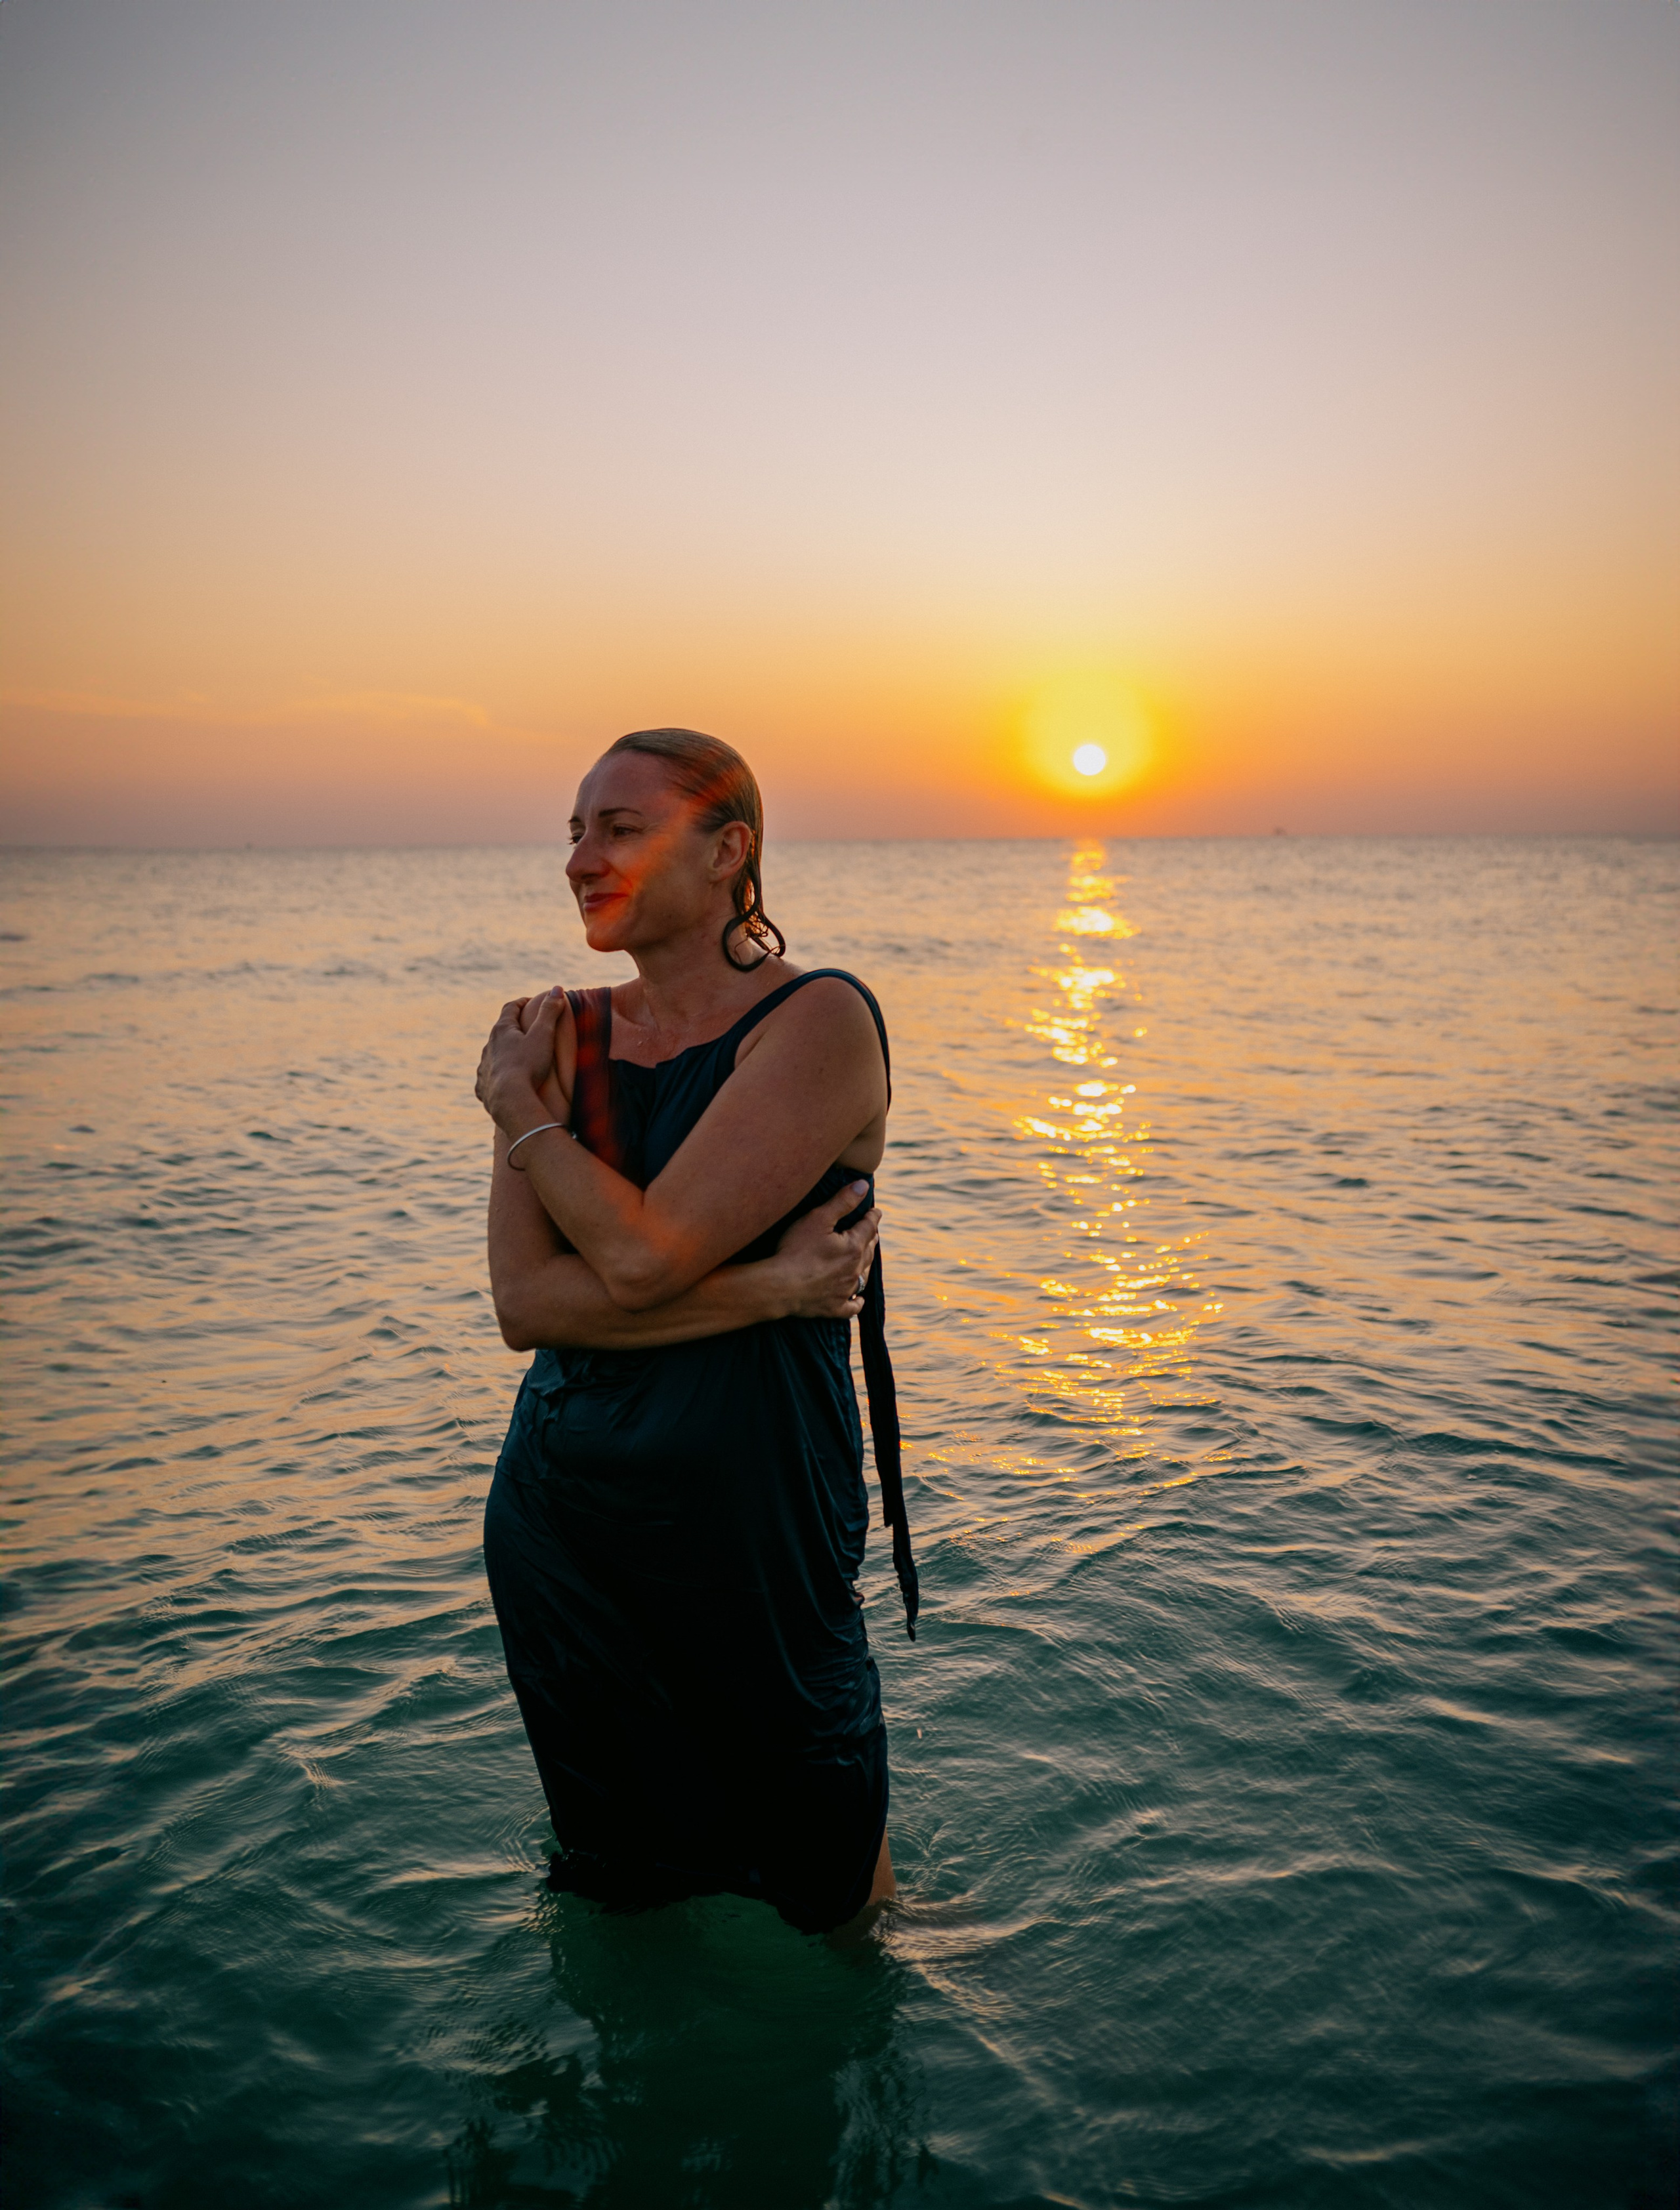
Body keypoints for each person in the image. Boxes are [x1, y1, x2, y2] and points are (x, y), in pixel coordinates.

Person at [474, 728, 917, 1936]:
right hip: (566, 1512)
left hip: (754, 1507)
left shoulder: (819, 1022)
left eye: (620, 829)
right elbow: (527, 1307)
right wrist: (772, 1290)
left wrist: (520, 1115)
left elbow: (640, 1259)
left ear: (730, 853)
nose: (581, 858)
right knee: (627, 1887)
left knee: (830, 1895)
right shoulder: (554, 1034)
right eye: (575, 830)